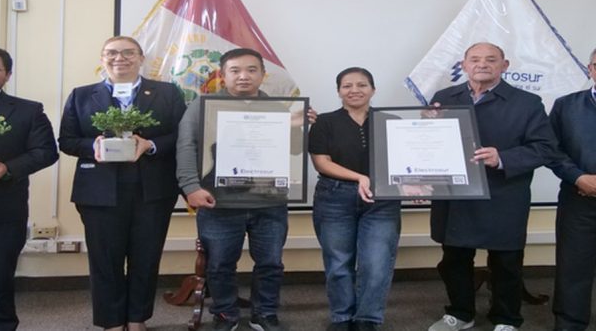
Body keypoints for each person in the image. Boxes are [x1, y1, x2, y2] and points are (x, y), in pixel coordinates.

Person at [427, 42, 557, 331]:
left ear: (504, 65)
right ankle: (461, 313)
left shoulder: (527, 103)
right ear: (464, 65)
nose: (482, 64)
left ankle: (506, 318)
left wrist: (503, 158)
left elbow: (546, 148)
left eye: (491, 59)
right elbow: (429, 144)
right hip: (456, 195)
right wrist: (426, 130)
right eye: (475, 59)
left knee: (506, 262)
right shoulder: (443, 98)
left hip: (504, 193)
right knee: (454, 258)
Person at [59, 36, 186, 331]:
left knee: (146, 256)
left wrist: (150, 144)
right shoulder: (81, 95)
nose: (120, 58)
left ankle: (137, 318)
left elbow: (182, 135)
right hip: (98, 192)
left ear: (141, 58)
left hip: (152, 189)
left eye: (129, 52)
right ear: (102, 58)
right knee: (105, 259)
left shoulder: (167, 93)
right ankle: (112, 321)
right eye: (112, 53)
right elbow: (67, 140)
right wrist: (94, 145)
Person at [177, 48, 301, 331]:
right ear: (223, 75)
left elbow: (293, 151)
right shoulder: (204, 105)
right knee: (220, 264)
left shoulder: (276, 108)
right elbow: (186, 145)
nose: (244, 76)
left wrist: (298, 126)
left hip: (268, 201)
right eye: (235, 70)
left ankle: (264, 313)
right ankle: (225, 314)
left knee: (270, 263)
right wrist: (190, 187)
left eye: (251, 70)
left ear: (263, 74)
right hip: (218, 201)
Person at [309, 67, 401, 331]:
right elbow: (322, 163)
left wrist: (414, 185)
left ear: (373, 89)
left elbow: (403, 160)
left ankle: (367, 318)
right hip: (334, 197)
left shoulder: (391, 121)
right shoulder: (324, 122)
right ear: (339, 91)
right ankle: (341, 317)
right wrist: (360, 177)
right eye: (347, 86)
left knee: (377, 262)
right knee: (338, 263)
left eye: (362, 85)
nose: (354, 90)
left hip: (381, 200)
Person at [0, 48, 58, 331]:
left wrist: (7, 168)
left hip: (4, 209)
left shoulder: (27, 110)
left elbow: (46, 152)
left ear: (8, 75)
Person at [548, 48, 596, 331]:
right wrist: (578, 177)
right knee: (573, 266)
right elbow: (552, 151)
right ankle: (570, 324)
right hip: (579, 199)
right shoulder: (566, 106)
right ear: (590, 68)